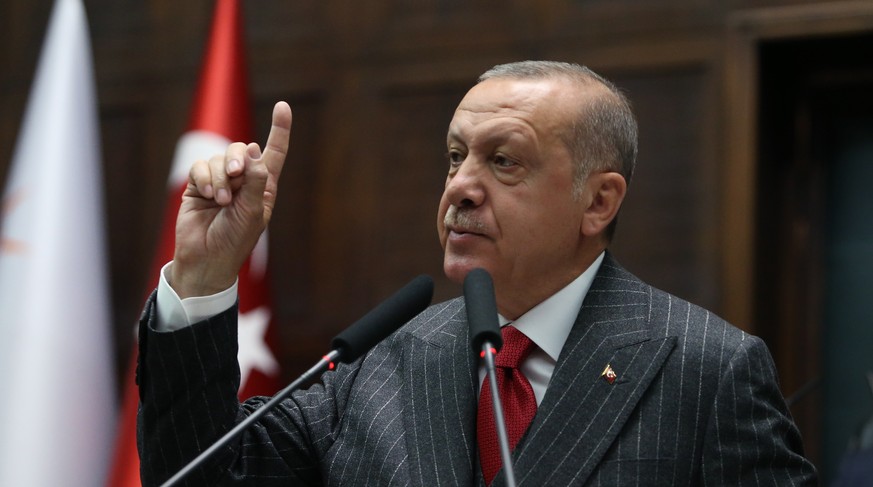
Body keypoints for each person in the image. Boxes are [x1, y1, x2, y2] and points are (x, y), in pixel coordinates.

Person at [137, 61, 817, 486]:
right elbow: (200, 474)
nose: (460, 185)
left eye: (503, 161)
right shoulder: (379, 361)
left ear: (598, 200)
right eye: (455, 156)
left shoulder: (705, 369)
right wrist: (202, 277)